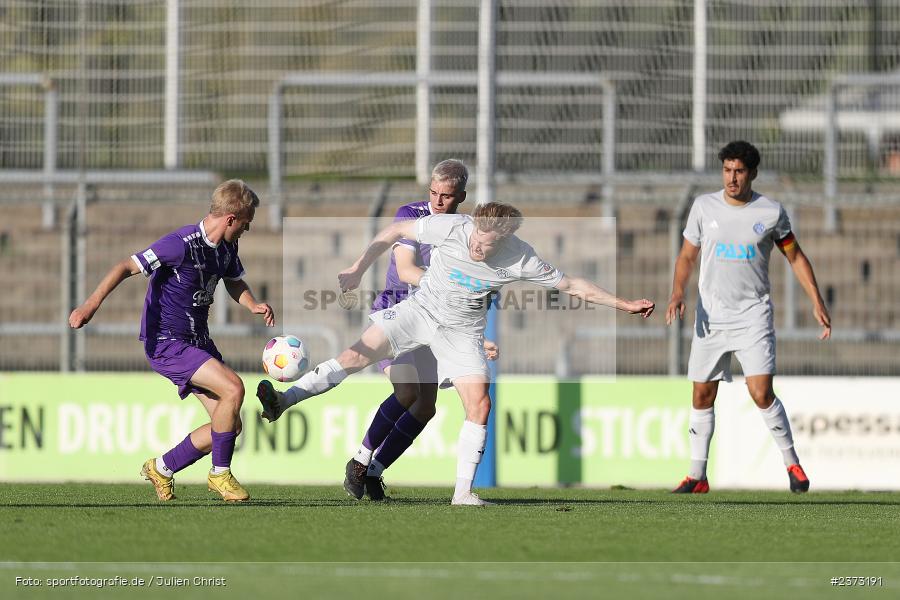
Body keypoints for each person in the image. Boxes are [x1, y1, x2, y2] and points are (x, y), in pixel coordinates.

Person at [258, 202, 654, 506]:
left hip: (463, 331)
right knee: (355, 354)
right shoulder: (452, 226)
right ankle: (283, 401)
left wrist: (626, 304)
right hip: (419, 310)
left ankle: (462, 493)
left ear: (506, 238)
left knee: (479, 404)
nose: (479, 245)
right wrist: (360, 266)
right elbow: (396, 228)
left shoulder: (520, 255)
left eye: (489, 242)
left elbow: (573, 285)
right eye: (478, 237)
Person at [68, 180, 274, 502]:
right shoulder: (180, 244)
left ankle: (161, 468)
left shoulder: (227, 248)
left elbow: (234, 282)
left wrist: (252, 303)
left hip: (198, 342)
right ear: (231, 218)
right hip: (167, 341)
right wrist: (90, 304)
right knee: (234, 388)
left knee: (229, 427)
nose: (247, 230)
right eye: (246, 223)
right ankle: (220, 475)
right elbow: (126, 266)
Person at [665, 140, 831, 494]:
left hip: (753, 315)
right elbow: (686, 257)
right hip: (711, 316)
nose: (732, 178)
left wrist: (815, 299)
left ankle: (793, 465)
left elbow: (796, 257)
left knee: (760, 392)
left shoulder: (770, 212)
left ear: (752, 173)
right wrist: (678, 291)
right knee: (701, 395)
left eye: (739, 171)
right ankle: (697, 475)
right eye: (727, 170)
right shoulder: (703, 207)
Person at [340, 159, 498, 502]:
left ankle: (375, 470)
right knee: (407, 390)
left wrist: (476, 335)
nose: (438, 201)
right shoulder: (410, 215)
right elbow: (405, 269)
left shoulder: (465, 231)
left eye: (446, 195)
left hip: (437, 323)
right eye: (433, 192)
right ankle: (359, 459)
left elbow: (469, 291)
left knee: (425, 407)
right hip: (398, 315)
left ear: (461, 196)